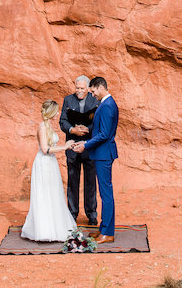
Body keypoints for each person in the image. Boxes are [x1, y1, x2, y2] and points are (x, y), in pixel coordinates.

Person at [20, 100, 78, 242]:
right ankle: (44, 229)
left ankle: (56, 226)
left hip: (51, 163)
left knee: (54, 193)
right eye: (56, 111)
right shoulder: (42, 127)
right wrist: (65, 147)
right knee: (44, 194)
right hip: (43, 163)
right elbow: (45, 150)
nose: (58, 113)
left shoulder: (49, 126)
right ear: (51, 112)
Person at [72, 76, 118, 244]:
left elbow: (105, 134)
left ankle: (107, 233)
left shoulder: (106, 105)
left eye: (92, 91)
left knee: (106, 195)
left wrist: (86, 145)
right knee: (106, 194)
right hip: (103, 153)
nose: (92, 95)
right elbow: (100, 129)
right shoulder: (107, 104)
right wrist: (88, 131)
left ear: (99, 88)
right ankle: (105, 229)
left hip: (103, 154)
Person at [59, 75, 99, 226]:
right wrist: (72, 129)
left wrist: (86, 130)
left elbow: (98, 122)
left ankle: (92, 214)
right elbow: (62, 121)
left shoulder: (95, 100)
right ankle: (72, 214)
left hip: (89, 146)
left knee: (90, 182)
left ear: (88, 88)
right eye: (77, 88)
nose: (79, 91)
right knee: (72, 181)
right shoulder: (68, 100)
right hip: (73, 146)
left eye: (82, 88)